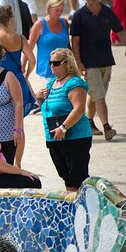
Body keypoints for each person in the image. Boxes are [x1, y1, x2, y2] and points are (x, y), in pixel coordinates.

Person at [70, 0, 126, 140]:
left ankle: (89, 122)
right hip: (89, 63)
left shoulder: (107, 12)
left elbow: (120, 31)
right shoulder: (79, 16)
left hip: (106, 61)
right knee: (99, 96)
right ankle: (107, 127)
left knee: (95, 95)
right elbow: (75, 41)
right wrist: (78, 61)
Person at [36, 48, 92, 191]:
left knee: (78, 177)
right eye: (50, 63)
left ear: (67, 63)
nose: (52, 66)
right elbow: (47, 110)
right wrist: (39, 99)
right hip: (54, 138)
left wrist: (63, 128)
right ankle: (73, 209)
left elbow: (79, 109)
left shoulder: (74, 83)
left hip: (75, 137)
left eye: (56, 63)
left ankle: (85, 210)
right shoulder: (50, 84)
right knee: (66, 176)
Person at [0, 6, 37, 117]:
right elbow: (32, 61)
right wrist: (26, 75)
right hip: (18, 80)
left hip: (1, 83)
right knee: (19, 121)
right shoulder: (20, 38)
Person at [27, 0, 69, 84]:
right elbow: (29, 47)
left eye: (61, 10)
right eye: (57, 10)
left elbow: (68, 45)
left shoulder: (64, 22)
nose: (59, 13)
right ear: (49, 8)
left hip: (65, 69)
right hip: (47, 70)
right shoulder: (39, 24)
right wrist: (23, 67)